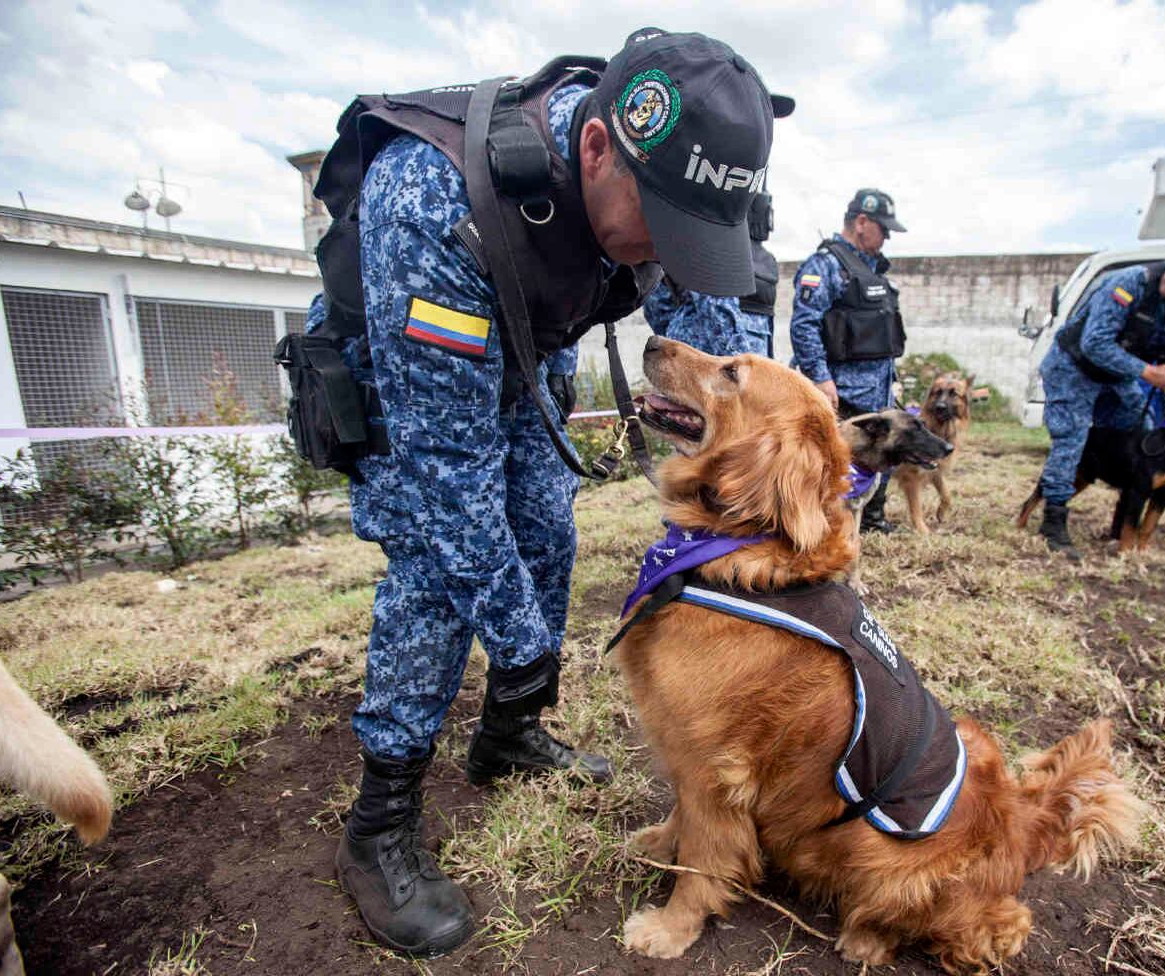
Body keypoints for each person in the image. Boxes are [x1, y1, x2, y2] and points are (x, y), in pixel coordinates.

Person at [304, 29, 782, 957]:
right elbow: (447, 476)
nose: (672, 255)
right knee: (444, 574)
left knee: (543, 533)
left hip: (524, 348)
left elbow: (721, 340)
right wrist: (519, 635)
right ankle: (380, 821)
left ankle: (508, 735)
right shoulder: (434, 197)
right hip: (409, 366)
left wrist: (770, 450)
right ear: (597, 149)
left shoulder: (661, 183)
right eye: (667, 229)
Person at [1033, 241, 1165, 559]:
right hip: (1074, 364)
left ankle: (1124, 519)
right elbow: (1095, 343)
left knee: (1136, 435)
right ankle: (1053, 519)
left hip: (1120, 375)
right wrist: (1148, 372)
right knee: (1074, 437)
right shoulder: (1130, 282)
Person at [790, 188, 907, 532]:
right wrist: (820, 378)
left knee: (877, 457)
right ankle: (825, 528)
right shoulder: (826, 265)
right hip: (842, 393)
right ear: (861, 221)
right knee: (834, 468)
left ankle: (872, 518)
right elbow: (804, 325)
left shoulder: (872, 270)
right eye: (883, 229)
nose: (885, 238)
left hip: (877, 389)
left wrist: (893, 377)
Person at [642, 190, 784, 357]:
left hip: (712, 359)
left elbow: (657, 303)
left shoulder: (704, 244)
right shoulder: (765, 261)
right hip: (732, 365)